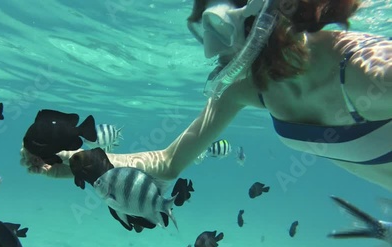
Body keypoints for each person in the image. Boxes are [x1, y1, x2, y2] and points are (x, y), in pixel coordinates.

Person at [20, 0, 391, 190]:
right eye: (203, 31)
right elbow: (167, 162)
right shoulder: (248, 88)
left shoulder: (363, 71)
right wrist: (71, 166)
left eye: (215, 25)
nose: (211, 51)